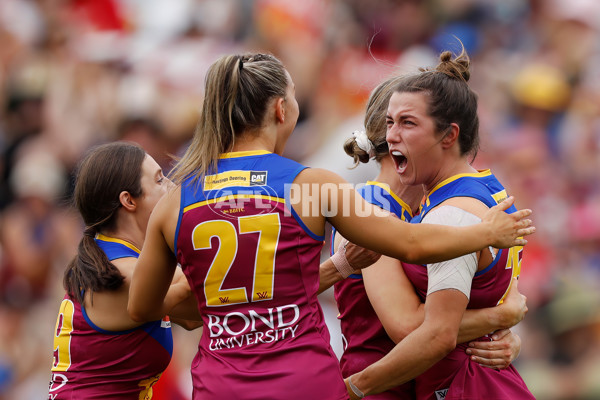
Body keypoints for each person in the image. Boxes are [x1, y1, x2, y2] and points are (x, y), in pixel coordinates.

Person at [127, 52, 534, 400]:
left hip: (221, 384)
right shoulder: (309, 188)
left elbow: (145, 308)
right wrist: (493, 276)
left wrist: (228, 308)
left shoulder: (180, 199)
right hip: (312, 381)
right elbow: (411, 260)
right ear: (281, 110)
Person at [344, 49, 536, 399]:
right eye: (390, 123)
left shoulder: (449, 210)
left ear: (448, 135)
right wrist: (499, 319)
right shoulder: (483, 191)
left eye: (407, 123)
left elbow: (433, 331)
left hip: (458, 385)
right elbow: (418, 323)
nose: (393, 135)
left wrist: (350, 390)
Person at [48, 142, 200, 400]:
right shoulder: (123, 273)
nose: (173, 188)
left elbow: (195, 315)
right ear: (128, 200)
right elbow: (204, 283)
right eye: (160, 179)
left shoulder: (111, 258)